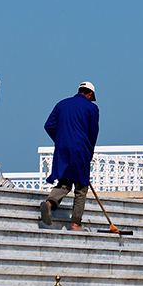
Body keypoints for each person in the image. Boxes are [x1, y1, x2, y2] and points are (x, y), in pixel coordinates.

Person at [40, 81, 100, 230]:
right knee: (81, 187)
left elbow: (48, 125)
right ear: (90, 94)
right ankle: (76, 223)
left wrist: (61, 139)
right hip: (80, 150)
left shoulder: (62, 104)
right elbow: (92, 134)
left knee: (65, 182)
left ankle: (49, 202)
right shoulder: (92, 108)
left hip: (63, 148)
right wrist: (89, 152)